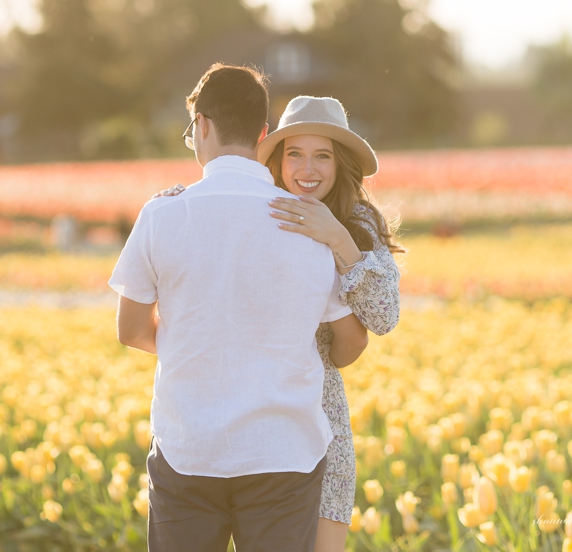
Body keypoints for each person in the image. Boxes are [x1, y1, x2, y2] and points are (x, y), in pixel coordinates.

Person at [109, 64, 370, 551]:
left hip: (188, 450)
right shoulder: (307, 222)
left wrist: (197, 339)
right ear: (263, 134)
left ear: (202, 125)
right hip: (284, 451)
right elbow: (352, 339)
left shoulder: (162, 214)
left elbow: (130, 329)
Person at [153, 95, 403, 552]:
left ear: (339, 162)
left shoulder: (358, 219)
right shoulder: (256, 208)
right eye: (295, 154)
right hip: (225, 418)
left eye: (322, 155)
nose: (308, 168)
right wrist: (174, 204)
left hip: (315, 416)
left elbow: (382, 318)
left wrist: (336, 237)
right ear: (277, 159)